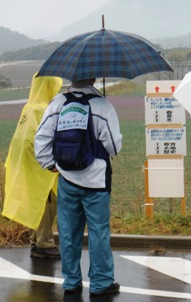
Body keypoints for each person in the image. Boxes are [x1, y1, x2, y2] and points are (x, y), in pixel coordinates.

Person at [34, 78, 122, 296]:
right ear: (93, 78)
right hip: (97, 182)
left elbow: (41, 140)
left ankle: (71, 281)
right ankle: (101, 282)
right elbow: (114, 145)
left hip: (67, 180)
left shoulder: (57, 104)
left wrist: (51, 165)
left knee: (68, 232)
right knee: (98, 231)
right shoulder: (102, 106)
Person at [2, 73, 62, 259]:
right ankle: (45, 243)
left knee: (36, 201)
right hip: (41, 167)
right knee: (46, 202)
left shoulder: (29, 107)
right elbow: (41, 139)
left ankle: (36, 241)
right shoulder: (43, 109)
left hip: (27, 164)